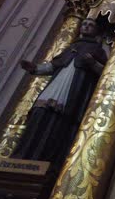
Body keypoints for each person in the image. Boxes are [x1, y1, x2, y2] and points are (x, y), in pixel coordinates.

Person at [12, 18, 107, 170]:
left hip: (74, 90)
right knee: (39, 112)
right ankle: (22, 155)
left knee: (57, 122)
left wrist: (93, 63)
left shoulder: (98, 50)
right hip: (56, 85)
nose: (86, 27)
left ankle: (46, 160)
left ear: (96, 31)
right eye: (84, 24)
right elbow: (53, 66)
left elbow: (106, 73)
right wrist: (35, 68)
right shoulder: (71, 47)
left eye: (91, 25)